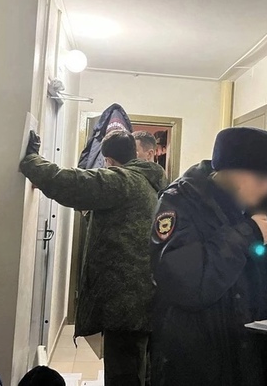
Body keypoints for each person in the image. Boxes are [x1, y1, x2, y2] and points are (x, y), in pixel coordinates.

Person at [150, 127, 267, 386]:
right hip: (199, 360)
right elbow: (187, 285)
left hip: (251, 355)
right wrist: (248, 234)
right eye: (261, 179)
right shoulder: (181, 203)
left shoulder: (259, 205)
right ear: (231, 171)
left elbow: (265, 272)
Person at [20, 130, 168, 386]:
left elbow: (69, 183)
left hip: (125, 303)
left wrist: (32, 160)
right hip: (143, 298)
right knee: (140, 369)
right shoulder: (149, 182)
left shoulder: (122, 180)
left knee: (124, 374)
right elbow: (124, 221)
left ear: (108, 160)